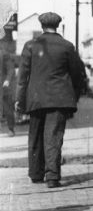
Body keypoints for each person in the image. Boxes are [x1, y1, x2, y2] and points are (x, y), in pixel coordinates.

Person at [15, 12, 88, 188]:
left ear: (42, 26)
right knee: (53, 136)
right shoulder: (67, 46)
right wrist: (74, 96)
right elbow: (78, 74)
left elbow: (23, 76)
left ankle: (36, 173)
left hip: (35, 99)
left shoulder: (31, 45)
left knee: (35, 136)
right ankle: (53, 176)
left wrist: (19, 99)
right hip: (60, 99)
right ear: (58, 26)